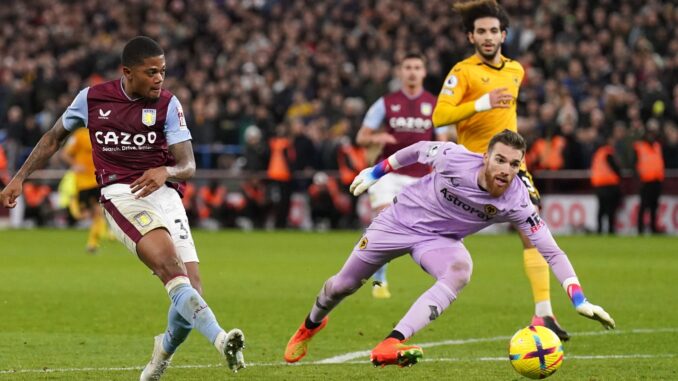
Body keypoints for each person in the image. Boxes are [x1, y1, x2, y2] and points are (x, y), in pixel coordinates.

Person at [0, 36, 245, 380]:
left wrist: (167, 171)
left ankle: (162, 354)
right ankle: (222, 340)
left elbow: (187, 164)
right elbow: (54, 137)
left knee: (193, 290)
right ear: (127, 73)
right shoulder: (92, 99)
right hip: (121, 193)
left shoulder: (169, 105)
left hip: (164, 193)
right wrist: (19, 178)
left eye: (163, 71)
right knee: (170, 267)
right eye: (151, 72)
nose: (160, 79)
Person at [283, 130, 615, 367]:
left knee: (460, 270)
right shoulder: (454, 158)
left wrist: (579, 298)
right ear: (485, 157)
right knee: (342, 285)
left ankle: (392, 342)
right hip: (397, 222)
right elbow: (416, 150)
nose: (506, 170)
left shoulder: (518, 201)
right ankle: (310, 325)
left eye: (514, 164)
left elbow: (552, 251)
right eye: (500, 160)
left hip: (438, 242)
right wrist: (377, 171)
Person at [431, 0, 569, 340]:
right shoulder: (462, 72)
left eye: (494, 31)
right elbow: (439, 116)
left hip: (510, 165)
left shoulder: (516, 70)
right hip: (472, 167)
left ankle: (544, 314)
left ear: (504, 34)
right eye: (481, 31)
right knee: (441, 235)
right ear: (471, 37)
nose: (488, 37)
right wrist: (482, 103)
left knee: (532, 226)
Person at [356, 52, 447, 299]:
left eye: (417, 67)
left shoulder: (435, 104)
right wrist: (378, 137)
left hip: (420, 177)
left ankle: (443, 277)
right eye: (408, 67)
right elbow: (361, 137)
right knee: (385, 218)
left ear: (424, 72)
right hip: (387, 172)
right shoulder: (385, 103)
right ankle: (379, 280)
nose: (412, 72)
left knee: (420, 230)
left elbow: (443, 142)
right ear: (400, 71)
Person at [61, 127, 108, 252]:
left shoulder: (103, 133)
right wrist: (75, 165)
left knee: (97, 212)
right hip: (83, 182)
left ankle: (93, 243)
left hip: (97, 180)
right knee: (83, 215)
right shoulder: (80, 135)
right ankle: (103, 235)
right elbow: (65, 153)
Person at [633, 123, 665, 234]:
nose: (651, 136)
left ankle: (653, 228)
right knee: (644, 206)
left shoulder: (657, 146)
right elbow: (634, 163)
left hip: (656, 181)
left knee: (654, 207)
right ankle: (640, 229)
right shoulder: (639, 147)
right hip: (645, 182)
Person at [590, 136, 623, 234]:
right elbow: (616, 168)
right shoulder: (608, 153)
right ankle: (610, 230)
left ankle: (599, 230)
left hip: (599, 185)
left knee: (601, 209)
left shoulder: (597, 154)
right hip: (609, 185)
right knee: (610, 210)